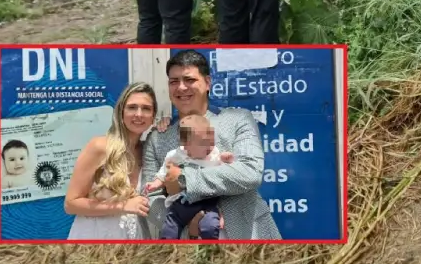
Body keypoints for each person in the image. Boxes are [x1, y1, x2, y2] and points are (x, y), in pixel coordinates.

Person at [141, 49, 283, 240]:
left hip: (249, 232)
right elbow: (149, 198)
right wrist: (187, 226)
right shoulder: (158, 137)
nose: (181, 87)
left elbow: (250, 172)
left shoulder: (238, 119)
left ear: (207, 82)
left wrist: (183, 179)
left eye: (189, 80)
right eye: (174, 81)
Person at [64, 82, 158, 240]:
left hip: (134, 239)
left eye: (146, 108)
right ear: (121, 112)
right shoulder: (100, 147)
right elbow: (71, 204)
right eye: (132, 107)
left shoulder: (147, 152)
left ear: (153, 116)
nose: (139, 114)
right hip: (96, 237)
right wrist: (123, 206)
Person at [144, 114, 235, 240]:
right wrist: (156, 183)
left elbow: (225, 170)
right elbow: (164, 171)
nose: (210, 146)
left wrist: (226, 159)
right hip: (183, 201)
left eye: (211, 141)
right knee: (171, 224)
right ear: (187, 147)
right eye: (204, 143)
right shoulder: (176, 155)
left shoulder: (213, 152)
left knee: (210, 224)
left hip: (207, 201)